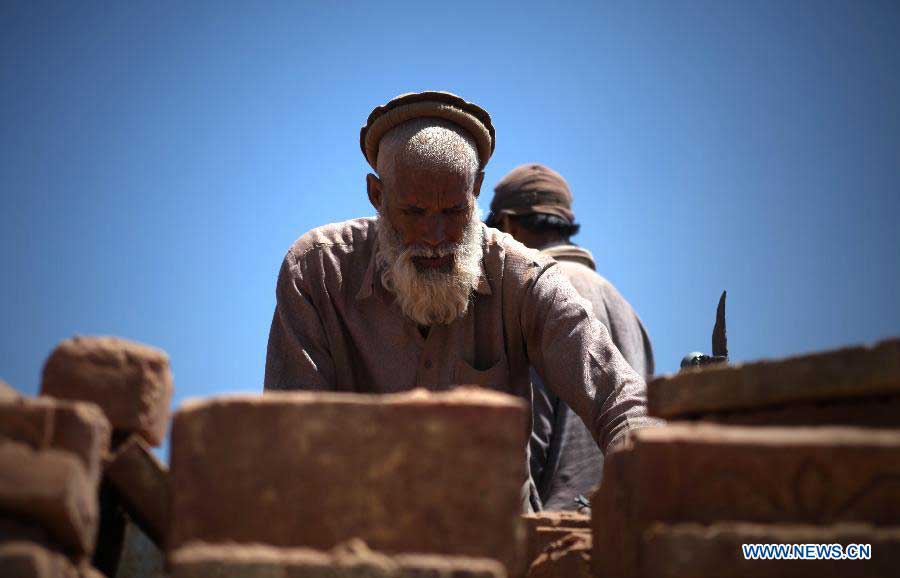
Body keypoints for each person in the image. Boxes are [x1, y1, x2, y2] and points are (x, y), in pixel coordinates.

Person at [264, 92, 660, 508]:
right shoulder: (317, 273)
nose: (435, 237)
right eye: (414, 213)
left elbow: (619, 398)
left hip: (501, 552)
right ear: (376, 196)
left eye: (453, 212)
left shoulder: (522, 279)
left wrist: (644, 477)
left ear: (476, 191)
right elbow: (293, 440)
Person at [487, 164, 655, 511]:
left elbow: (529, 435)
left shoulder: (535, 297)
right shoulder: (624, 305)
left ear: (506, 225)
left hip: (551, 542)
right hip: (621, 529)